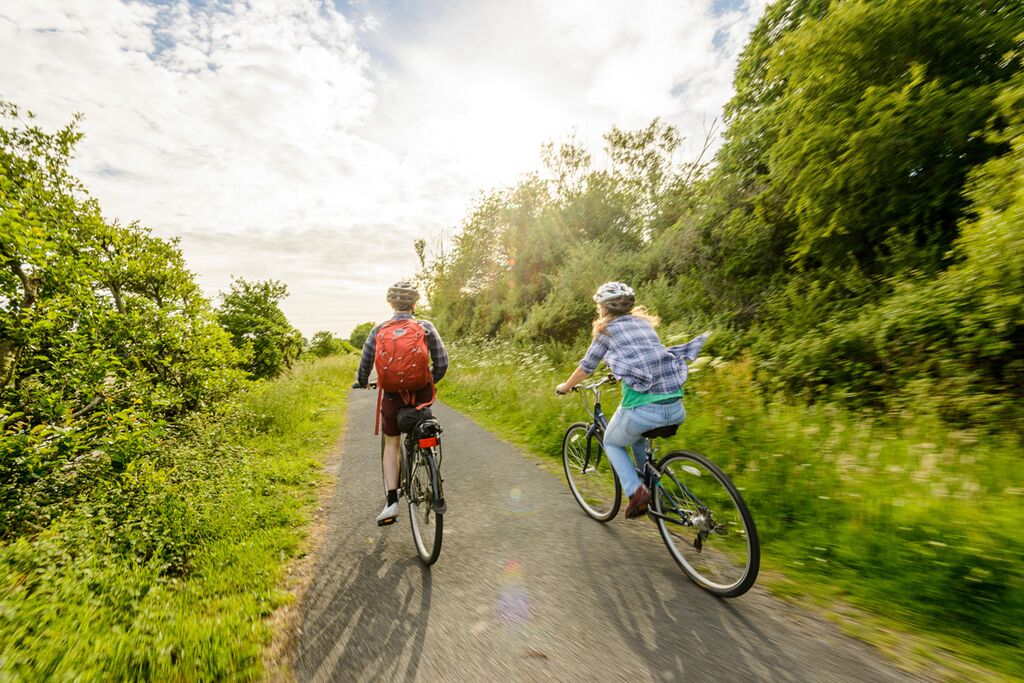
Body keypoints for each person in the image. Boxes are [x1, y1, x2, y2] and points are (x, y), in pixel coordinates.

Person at [556, 282, 708, 519]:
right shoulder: (644, 325)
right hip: (676, 406)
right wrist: (621, 374)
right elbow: (644, 357)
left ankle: (637, 492)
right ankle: (651, 488)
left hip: (644, 409)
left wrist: (566, 387)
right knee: (636, 437)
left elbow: (586, 368)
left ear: (603, 308)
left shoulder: (605, 330)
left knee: (612, 442)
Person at [352, 281, 448, 525]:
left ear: (391, 304)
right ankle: (431, 469)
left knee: (392, 443)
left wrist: (362, 381)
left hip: (392, 395)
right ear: (415, 304)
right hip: (421, 393)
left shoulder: (378, 330)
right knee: (425, 426)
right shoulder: (425, 327)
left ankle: (392, 502)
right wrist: (429, 380)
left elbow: (365, 363)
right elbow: (442, 362)